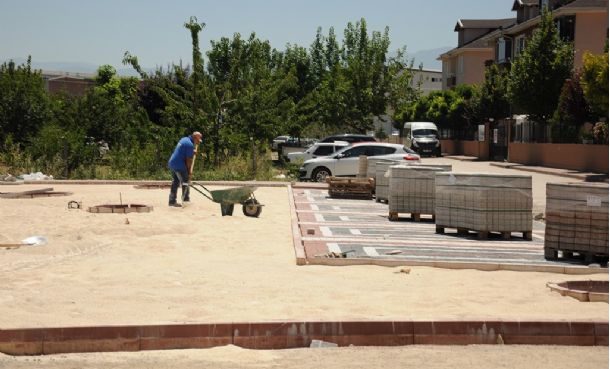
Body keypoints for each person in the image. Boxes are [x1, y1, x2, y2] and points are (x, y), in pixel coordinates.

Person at [168, 131, 202, 207]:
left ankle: (172, 201)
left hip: (173, 162)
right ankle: (186, 200)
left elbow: (182, 150)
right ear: (194, 137)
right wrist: (189, 171)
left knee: (175, 182)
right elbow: (188, 160)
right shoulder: (190, 145)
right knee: (185, 181)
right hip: (179, 164)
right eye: (198, 140)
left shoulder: (184, 139)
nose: (198, 143)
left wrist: (192, 152)